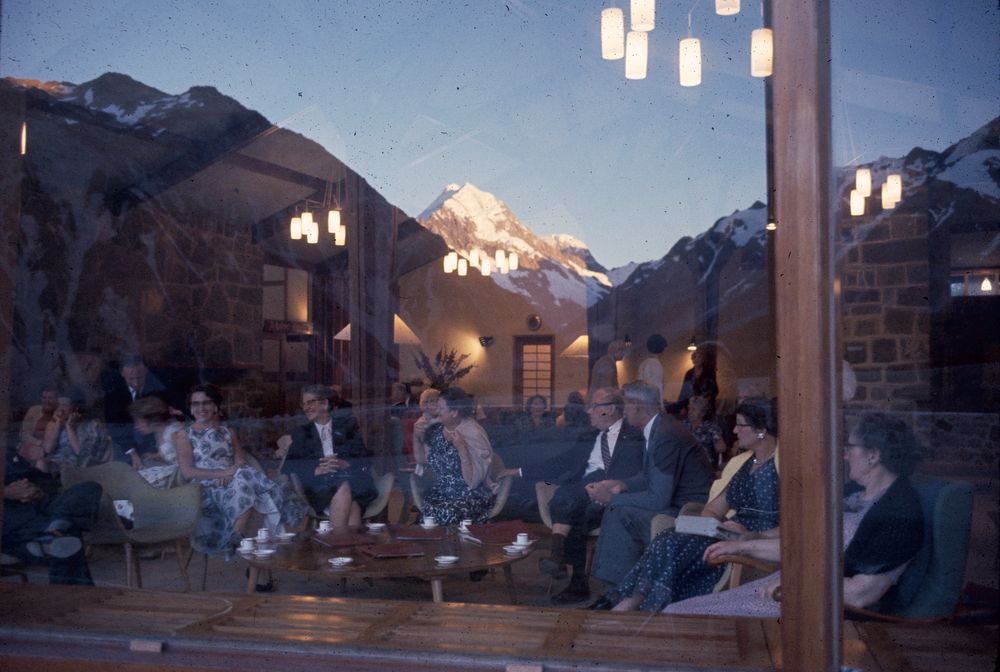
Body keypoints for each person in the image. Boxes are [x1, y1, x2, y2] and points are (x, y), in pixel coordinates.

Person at [664, 411, 923, 618]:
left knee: (688, 616)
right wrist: (741, 547)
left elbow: (861, 594)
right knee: (680, 611)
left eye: (850, 447)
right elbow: (803, 547)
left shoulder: (897, 513)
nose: (844, 455)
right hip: (786, 589)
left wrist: (796, 587)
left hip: (815, 608)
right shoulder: (853, 495)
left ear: (873, 455)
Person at [595, 397, 780, 611]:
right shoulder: (746, 464)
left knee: (674, 544)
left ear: (761, 430)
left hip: (756, 538)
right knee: (668, 535)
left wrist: (752, 534)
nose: (735, 431)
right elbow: (712, 508)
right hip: (728, 532)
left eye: (740, 425)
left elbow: (797, 526)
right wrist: (716, 527)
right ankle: (630, 601)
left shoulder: (782, 465)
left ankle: (629, 603)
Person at [588, 381, 714, 591]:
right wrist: (622, 484)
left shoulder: (665, 434)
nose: (624, 412)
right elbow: (648, 476)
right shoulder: (660, 426)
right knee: (618, 510)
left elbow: (658, 499)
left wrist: (612, 498)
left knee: (618, 511)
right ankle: (622, 589)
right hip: (678, 505)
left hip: (690, 513)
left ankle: (620, 590)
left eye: (626, 406)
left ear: (638, 406)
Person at [536, 386, 646, 604]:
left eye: (593, 407)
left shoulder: (633, 435)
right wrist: (519, 471)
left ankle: (564, 566)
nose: (588, 412)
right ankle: (566, 568)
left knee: (575, 506)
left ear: (610, 409)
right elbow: (562, 461)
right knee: (568, 498)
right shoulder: (589, 435)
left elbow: (634, 473)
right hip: (581, 491)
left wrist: (606, 488)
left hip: (610, 496)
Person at [175, 384, 305, 555]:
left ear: (215, 406)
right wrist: (224, 473)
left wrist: (232, 473)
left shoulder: (228, 431)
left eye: (206, 403)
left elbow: (240, 458)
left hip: (233, 479)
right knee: (249, 481)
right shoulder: (184, 435)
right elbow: (187, 472)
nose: (201, 408)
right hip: (205, 485)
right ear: (190, 408)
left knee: (243, 475)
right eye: (196, 404)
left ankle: (237, 535)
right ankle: (244, 530)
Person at [3, 447, 103, 585]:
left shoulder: (8, 453)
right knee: (67, 538)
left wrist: (37, 490)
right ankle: (53, 533)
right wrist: (6, 493)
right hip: (12, 521)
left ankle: (54, 529)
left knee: (90, 488)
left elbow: (41, 482)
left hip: (41, 508)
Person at [282, 384, 376, 528]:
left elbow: (365, 459)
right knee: (352, 504)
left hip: (352, 480)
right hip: (320, 486)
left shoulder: (347, 426)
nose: (305, 408)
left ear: (325, 403)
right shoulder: (302, 433)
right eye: (304, 404)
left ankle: (340, 547)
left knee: (346, 487)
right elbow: (288, 466)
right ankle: (346, 547)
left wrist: (344, 463)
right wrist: (315, 470)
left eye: (310, 402)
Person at [418, 387, 496, 525]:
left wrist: (461, 448)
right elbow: (422, 460)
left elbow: (473, 481)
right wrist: (416, 435)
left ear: (454, 412)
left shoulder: (473, 432)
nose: (437, 411)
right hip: (443, 492)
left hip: (470, 495)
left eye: (441, 408)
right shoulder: (436, 430)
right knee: (428, 512)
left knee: (447, 512)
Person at [103, 354, 167, 463]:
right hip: (124, 445)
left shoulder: (158, 390)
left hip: (153, 442)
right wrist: (132, 453)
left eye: (139, 378)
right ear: (123, 374)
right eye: (131, 378)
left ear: (146, 371)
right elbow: (115, 427)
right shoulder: (113, 395)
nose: (136, 382)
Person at [41, 390, 111, 473]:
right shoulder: (53, 424)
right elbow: (48, 450)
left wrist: (69, 427)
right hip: (55, 465)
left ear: (75, 408)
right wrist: (58, 424)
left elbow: (80, 452)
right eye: (58, 405)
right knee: (41, 463)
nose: (60, 409)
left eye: (65, 405)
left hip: (77, 467)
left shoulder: (92, 426)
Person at [129, 396, 185, 488]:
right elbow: (170, 451)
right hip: (171, 469)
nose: (136, 426)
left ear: (152, 421)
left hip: (179, 476)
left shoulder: (174, 433)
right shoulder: (159, 432)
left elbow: (186, 459)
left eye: (138, 422)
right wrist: (156, 455)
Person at [17, 384, 60, 468]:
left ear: (57, 399)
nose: (47, 401)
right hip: (30, 449)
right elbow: (23, 434)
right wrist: (39, 443)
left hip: (50, 453)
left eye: (50, 398)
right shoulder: (34, 411)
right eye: (44, 398)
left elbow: (52, 445)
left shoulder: (60, 414)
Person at [638, 334, 667, 407]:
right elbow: (657, 389)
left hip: (643, 402)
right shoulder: (656, 365)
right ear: (662, 349)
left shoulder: (643, 363)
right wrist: (661, 405)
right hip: (651, 405)